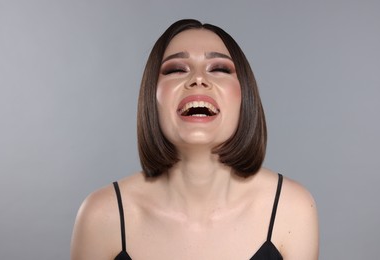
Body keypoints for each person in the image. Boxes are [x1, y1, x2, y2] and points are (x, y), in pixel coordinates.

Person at [71, 19, 319, 260]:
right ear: (151, 97)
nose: (198, 79)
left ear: (245, 95)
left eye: (220, 69)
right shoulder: (103, 215)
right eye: (177, 69)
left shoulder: (291, 209)